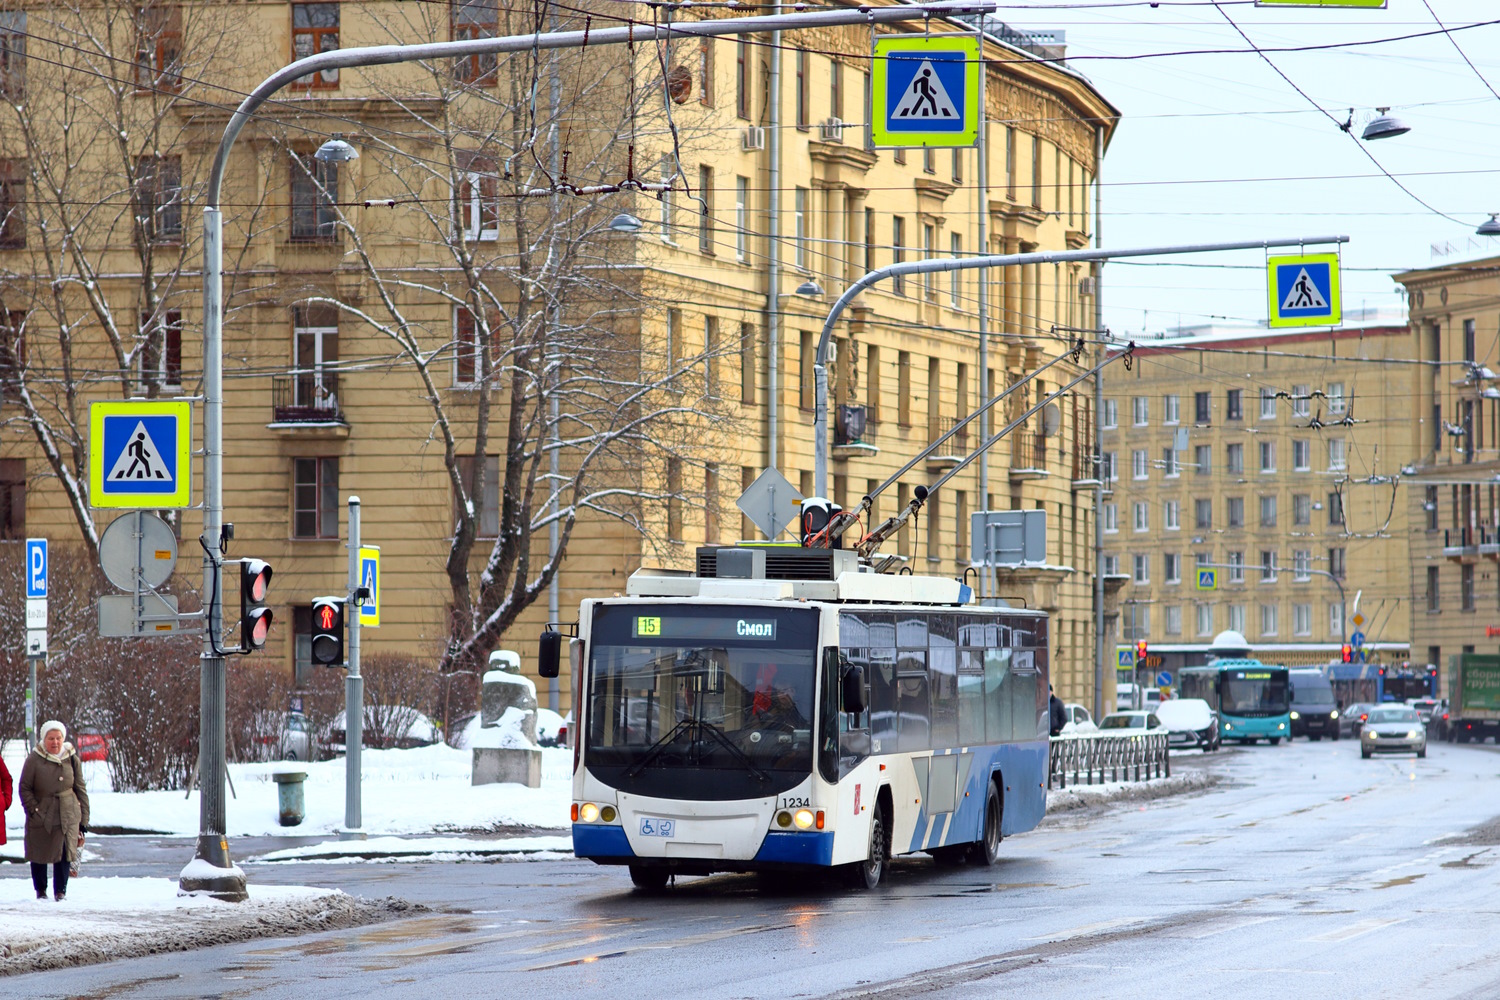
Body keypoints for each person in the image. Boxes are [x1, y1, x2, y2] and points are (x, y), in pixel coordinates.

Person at [19, 721, 89, 901]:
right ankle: (41, 890)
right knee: (40, 852)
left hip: (68, 813)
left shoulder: (72, 758)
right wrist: (34, 810)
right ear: (44, 738)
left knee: (65, 852)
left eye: (58, 738)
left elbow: (80, 788)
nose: (55, 742)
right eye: (51, 738)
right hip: (42, 812)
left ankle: (61, 891)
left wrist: (84, 819)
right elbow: (24, 788)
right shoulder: (34, 759)